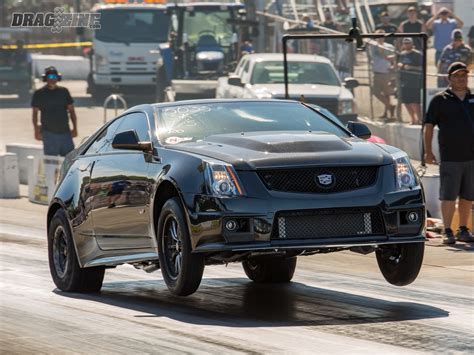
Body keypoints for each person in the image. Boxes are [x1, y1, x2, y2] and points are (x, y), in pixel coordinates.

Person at [424, 62, 474, 244]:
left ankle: (463, 229)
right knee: (448, 196)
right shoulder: (440, 100)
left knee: (468, 196)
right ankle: (447, 231)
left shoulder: (472, 98)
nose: (461, 79)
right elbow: (428, 126)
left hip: (471, 157)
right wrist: (428, 151)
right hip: (450, 156)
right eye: (457, 76)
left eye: (464, 75)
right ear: (450, 78)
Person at [32, 66, 78, 157]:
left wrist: (75, 128)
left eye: (54, 77)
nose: (53, 79)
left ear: (58, 78)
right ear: (45, 78)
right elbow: (35, 114)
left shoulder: (64, 91)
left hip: (65, 133)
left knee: (69, 160)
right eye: (50, 77)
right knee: (51, 163)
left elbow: (72, 111)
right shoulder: (39, 93)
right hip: (48, 133)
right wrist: (36, 131)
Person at [397, 37, 423, 124]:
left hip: (414, 81)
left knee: (415, 101)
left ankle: (419, 119)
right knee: (406, 102)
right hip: (404, 81)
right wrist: (399, 65)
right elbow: (399, 64)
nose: (406, 45)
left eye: (408, 43)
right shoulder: (402, 54)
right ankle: (413, 119)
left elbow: (421, 68)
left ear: (412, 44)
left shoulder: (417, 54)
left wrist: (411, 67)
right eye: (405, 43)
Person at [371, 30, 395, 119]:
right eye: (378, 36)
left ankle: (388, 113)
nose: (380, 38)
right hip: (377, 72)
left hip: (386, 73)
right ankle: (390, 106)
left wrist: (392, 64)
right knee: (376, 92)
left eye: (382, 36)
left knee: (387, 94)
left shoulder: (389, 47)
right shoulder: (373, 46)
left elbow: (394, 57)